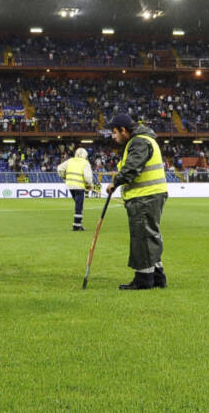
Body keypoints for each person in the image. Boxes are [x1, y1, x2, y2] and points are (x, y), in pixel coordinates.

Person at [104, 114, 168, 290]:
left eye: (114, 132)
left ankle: (144, 279)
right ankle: (157, 276)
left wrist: (115, 182)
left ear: (123, 130)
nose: (113, 136)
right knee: (150, 235)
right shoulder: (144, 139)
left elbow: (132, 169)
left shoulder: (139, 142)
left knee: (142, 236)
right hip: (150, 194)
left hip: (145, 196)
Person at [57, 147, 96, 231]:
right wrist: (89, 185)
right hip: (79, 186)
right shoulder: (85, 162)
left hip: (70, 185)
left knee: (78, 205)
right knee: (79, 206)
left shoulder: (70, 160)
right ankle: (77, 226)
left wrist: (64, 176)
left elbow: (59, 168)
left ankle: (78, 224)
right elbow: (88, 177)